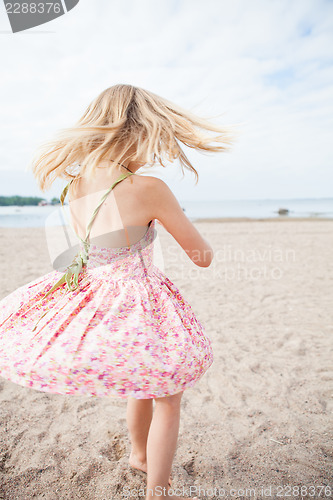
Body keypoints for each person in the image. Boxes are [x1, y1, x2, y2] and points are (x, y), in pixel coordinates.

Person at [0, 84, 232, 500]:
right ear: (140, 131)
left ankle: (139, 454)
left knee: (142, 382)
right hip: (140, 300)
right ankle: (156, 491)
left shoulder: (74, 185)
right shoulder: (149, 188)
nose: (155, 150)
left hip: (93, 293)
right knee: (167, 396)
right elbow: (202, 256)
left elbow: (99, 247)